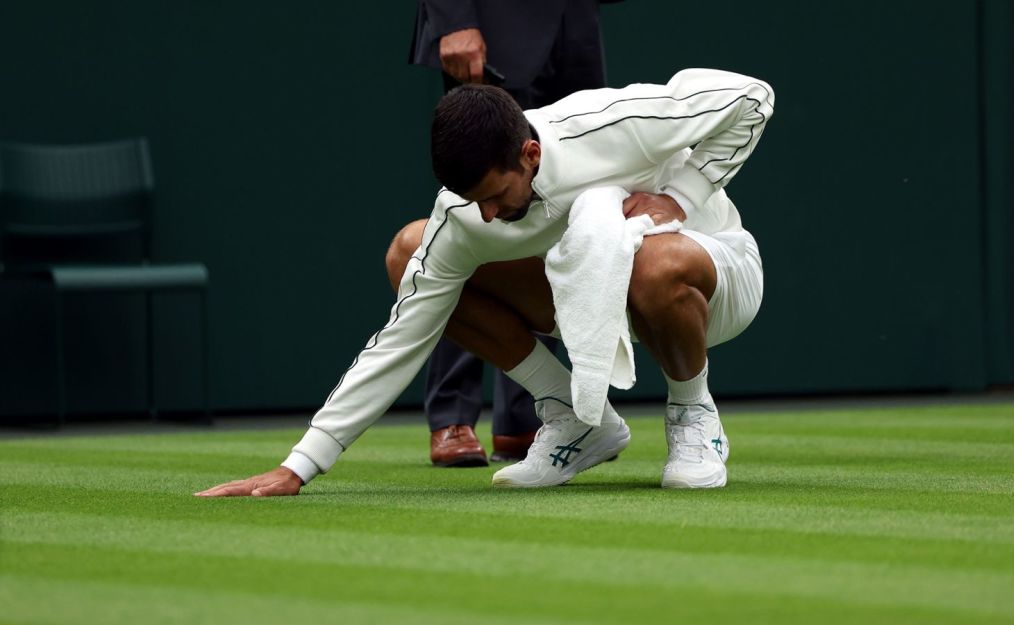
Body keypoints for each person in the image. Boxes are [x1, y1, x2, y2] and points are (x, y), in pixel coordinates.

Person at [195, 67, 774, 497]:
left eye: (496, 196)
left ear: (529, 153)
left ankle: (693, 412)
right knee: (409, 252)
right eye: (476, 203)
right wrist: (300, 465)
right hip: (586, 298)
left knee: (652, 264)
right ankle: (570, 417)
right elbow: (402, 340)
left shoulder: (610, 124)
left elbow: (752, 97)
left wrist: (682, 196)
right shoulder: (466, 215)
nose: (488, 216)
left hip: (714, 280)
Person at [409, 0, 614, 467]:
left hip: (574, 22)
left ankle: (525, 415)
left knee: (560, 203)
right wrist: (454, 19)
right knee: (479, 209)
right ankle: (452, 414)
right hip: (492, 23)